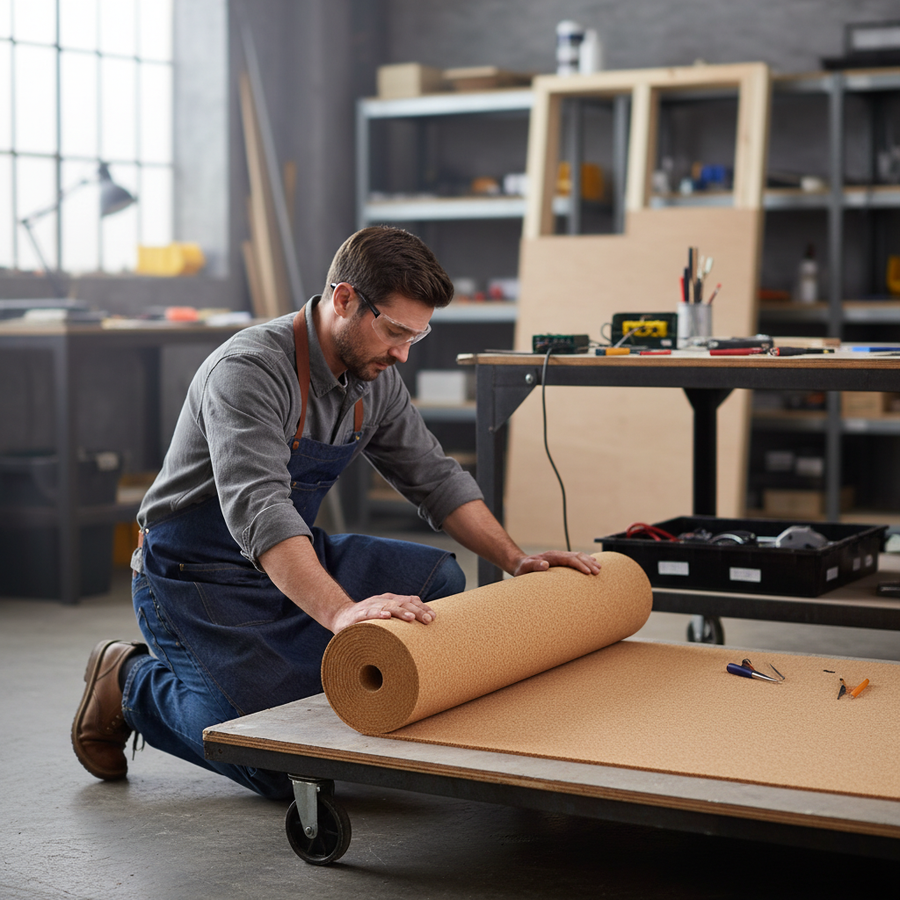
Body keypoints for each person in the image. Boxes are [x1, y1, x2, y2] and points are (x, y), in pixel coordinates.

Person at [71, 225, 600, 799]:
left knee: (439, 580)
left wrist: (517, 560)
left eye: (415, 338)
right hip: (195, 573)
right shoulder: (249, 371)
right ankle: (129, 681)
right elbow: (263, 509)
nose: (401, 353)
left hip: (289, 554)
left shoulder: (376, 378)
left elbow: (435, 478)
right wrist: (343, 614)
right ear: (344, 299)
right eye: (395, 331)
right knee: (274, 762)